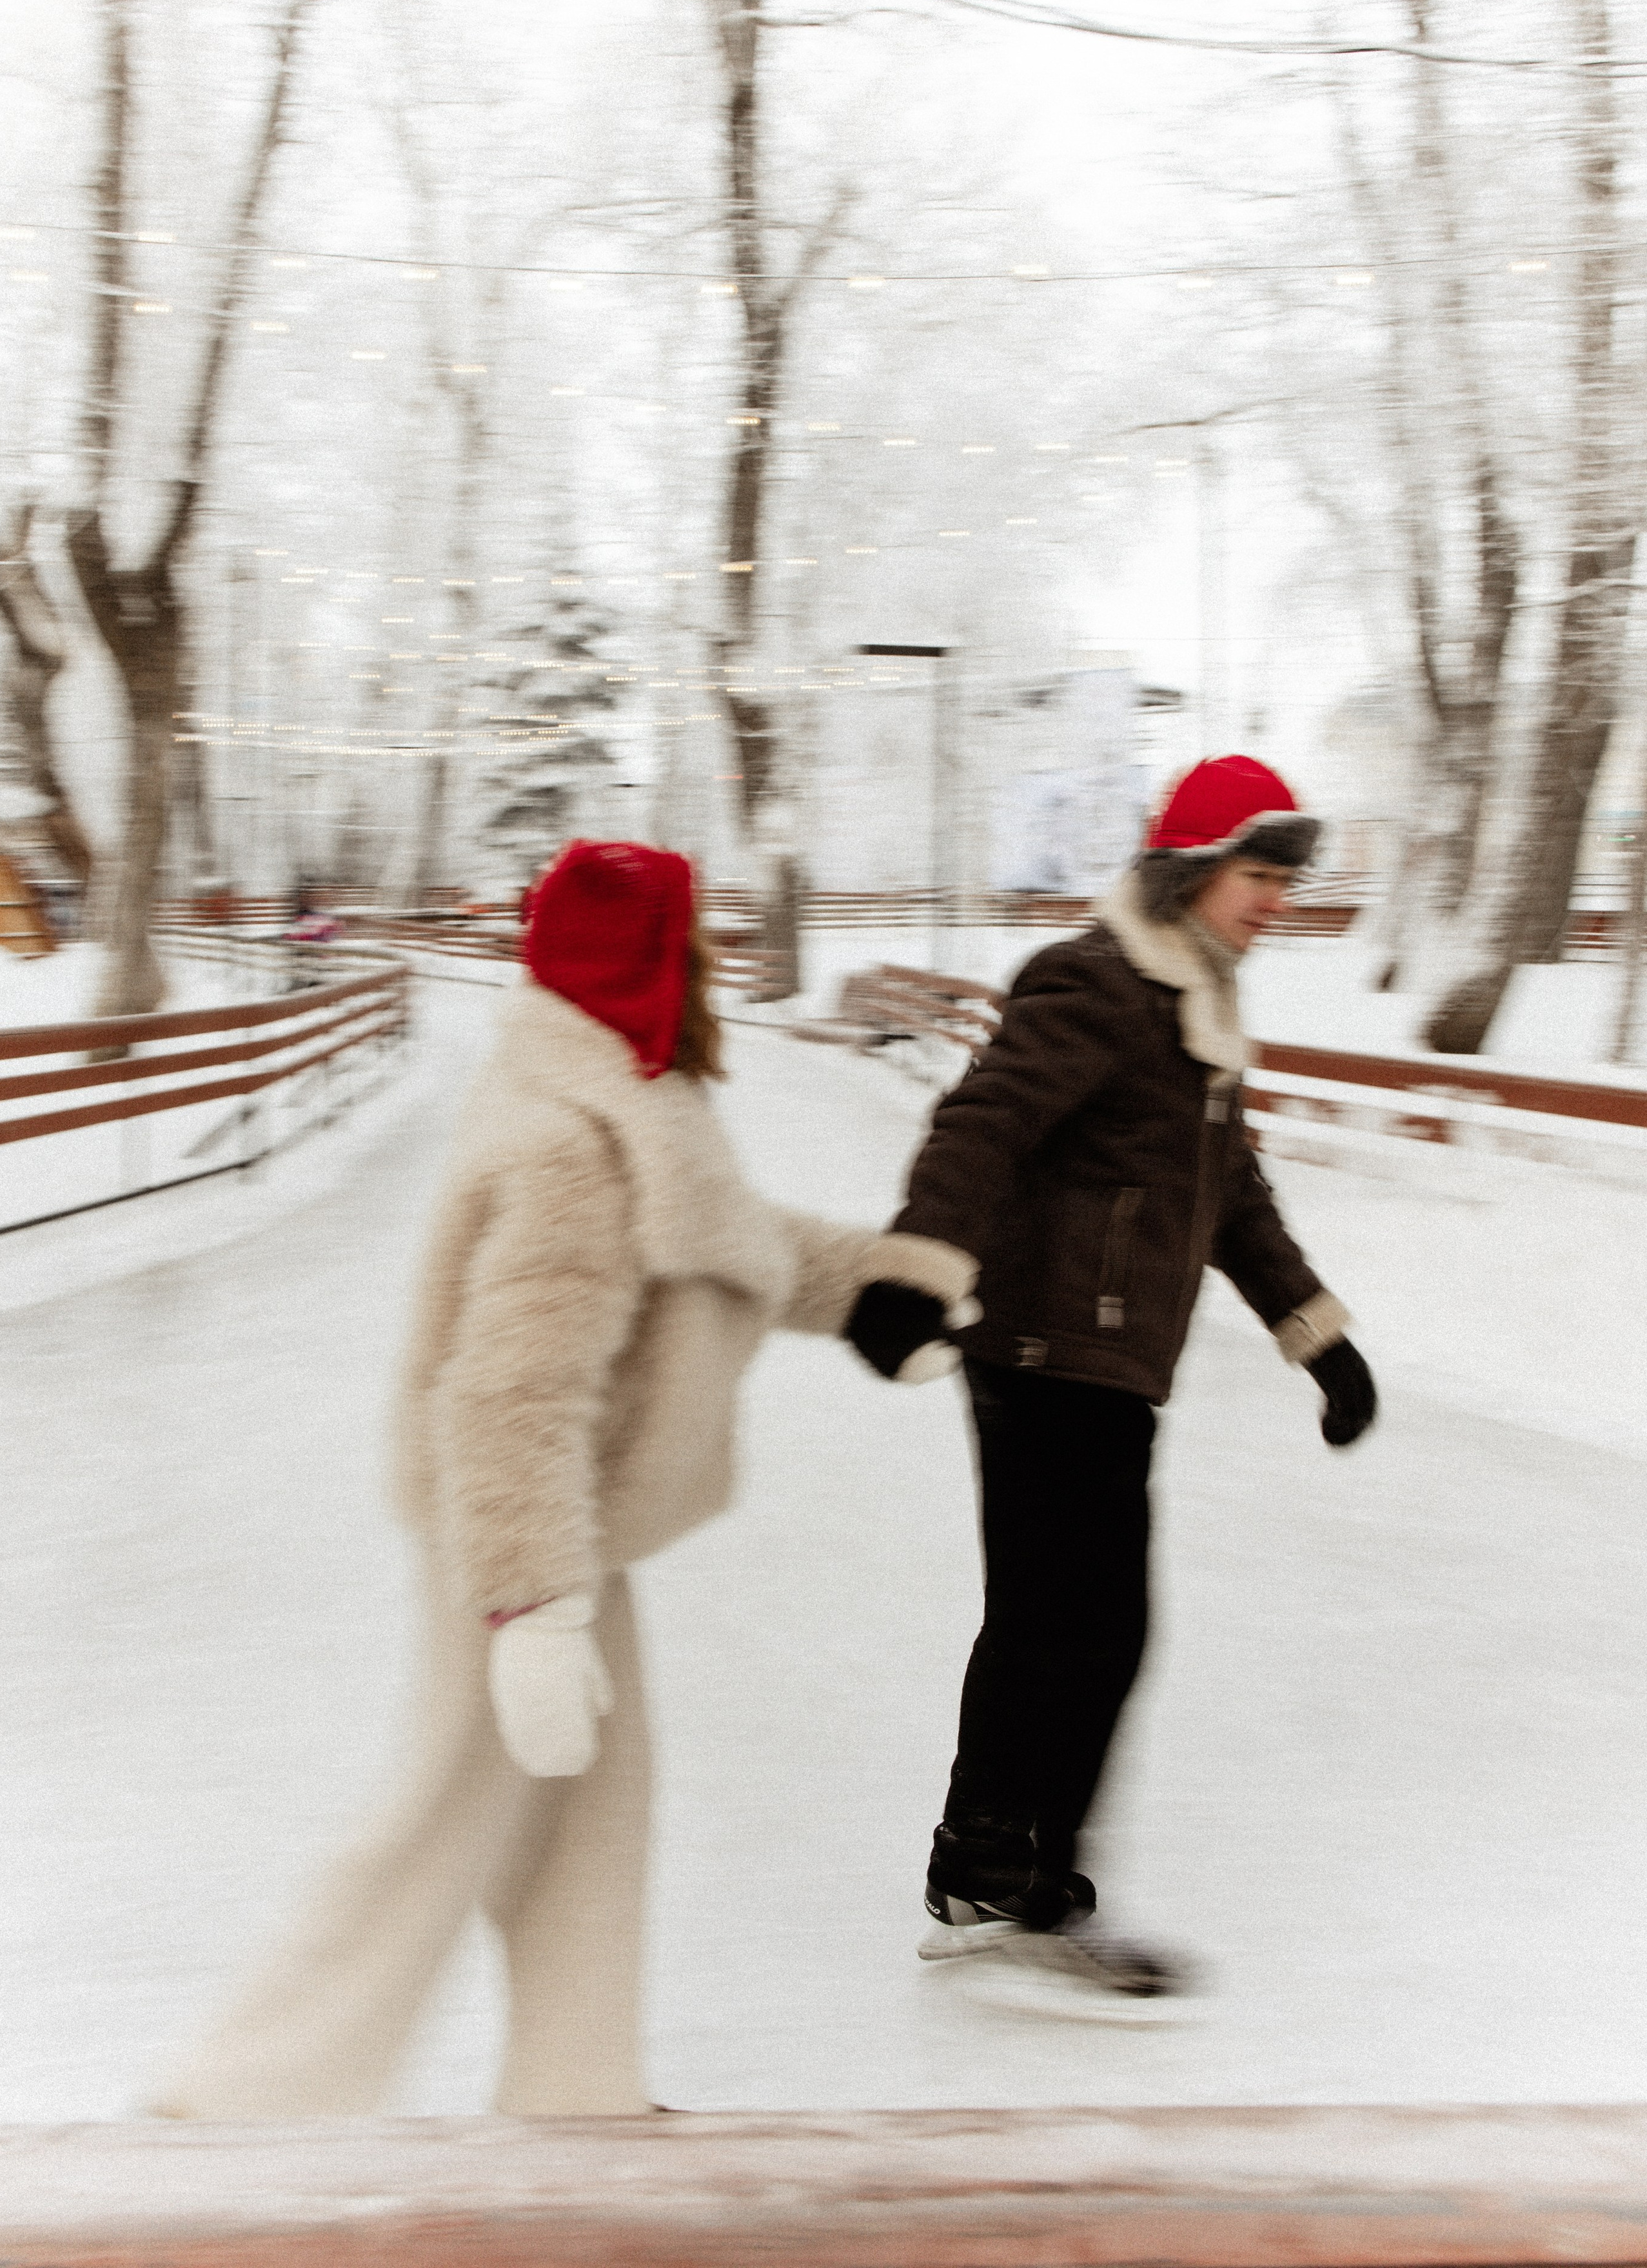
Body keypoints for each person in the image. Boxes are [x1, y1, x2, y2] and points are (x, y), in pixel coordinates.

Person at [156, 840, 976, 2117]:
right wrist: (529, 1610)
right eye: (690, 942)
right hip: (515, 1547)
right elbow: (508, 1395)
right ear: (651, 962)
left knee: (588, 1815)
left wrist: (879, 1286)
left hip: (559, 1538)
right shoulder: (573, 1147)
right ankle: (246, 2099)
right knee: (446, 1814)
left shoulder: (622, 1099)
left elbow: (728, 1239)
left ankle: (573, 2085)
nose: (706, 964)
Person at [847, 756, 1377, 2009]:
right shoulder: (1096, 979)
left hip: (1104, 1355)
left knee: (1063, 1620)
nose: (1273, 901)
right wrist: (911, 1269)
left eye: (1284, 880)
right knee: (1077, 1622)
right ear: (1192, 869)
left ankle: (994, 1875)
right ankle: (1018, 1888)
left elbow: (1228, 1195)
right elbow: (983, 1120)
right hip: (1044, 1345)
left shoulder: (1191, 1002)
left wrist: (1314, 1331)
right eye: (1258, 874)